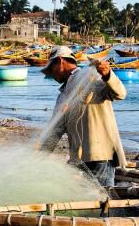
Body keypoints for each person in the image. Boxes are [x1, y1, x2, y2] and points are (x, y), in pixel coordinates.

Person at [39, 46, 127, 186]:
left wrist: (107, 74)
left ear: (60, 61)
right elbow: (55, 131)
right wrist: (37, 158)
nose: (50, 74)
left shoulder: (89, 76)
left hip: (99, 157)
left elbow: (120, 94)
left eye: (51, 69)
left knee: (102, 199)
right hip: (79, 160)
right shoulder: (63, 95)